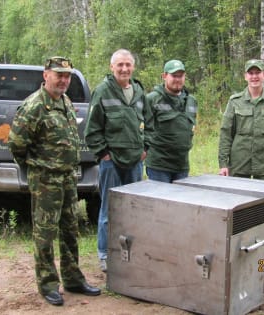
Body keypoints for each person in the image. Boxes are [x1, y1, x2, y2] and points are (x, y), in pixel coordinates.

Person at [8, 56, 101, 306]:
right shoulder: (34, 106)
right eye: (59, 75)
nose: (63, 80)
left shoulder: (66, 101)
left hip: (68, 177)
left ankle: (73, 278)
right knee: (45, 232)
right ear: (45, 75)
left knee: (71, 229)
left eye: (67, 76)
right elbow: (16, 144)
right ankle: (48, 283)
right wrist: (36, 167)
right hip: (45, 179)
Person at [84, 49, 153, 272]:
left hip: (135, 162)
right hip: (111, 162)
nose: (124, 69)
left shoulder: (140, 92)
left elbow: (150, 124)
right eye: (120, 65)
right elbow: (92, 130)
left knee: (133, 210)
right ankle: (105, 254)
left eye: (128, 65)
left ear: (133, 67)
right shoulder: (103, 92)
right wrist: (104, 154)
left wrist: (145, 148)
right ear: (111, 67)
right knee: (109, 210)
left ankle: (130, 253)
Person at [218, 59, 264, 181]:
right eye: (251, 73)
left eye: (258, 72)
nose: (254, 76)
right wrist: (223, 164)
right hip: (239, 163)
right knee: (238, 198)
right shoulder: (235, 101)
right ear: (245, 76)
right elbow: (226, 133)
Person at [145, 59, 197, 183]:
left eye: (181, 76)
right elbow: (142, 130)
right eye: (174, 76)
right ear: (164, 76)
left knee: (180, 201)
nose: (177, 79)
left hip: (182, 165)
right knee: (160, 201)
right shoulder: (152, 99)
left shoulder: (191, 101)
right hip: (159, 166)